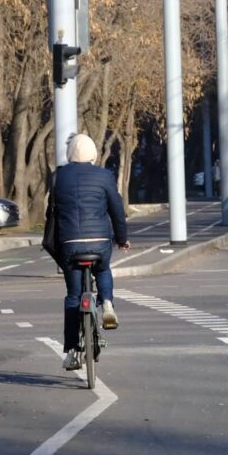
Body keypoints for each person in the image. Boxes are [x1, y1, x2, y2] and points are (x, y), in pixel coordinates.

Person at [54, 134, 130, 371]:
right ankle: (107, 303)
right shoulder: (104, 176)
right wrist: (122, 238)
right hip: (99, 241)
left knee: (73, 297)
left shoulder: (58, 177)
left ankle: (72, 350)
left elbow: (52, 213)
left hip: (70, 242)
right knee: (103, 267)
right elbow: (116, 209)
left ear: (70, 154)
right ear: (93, 154)